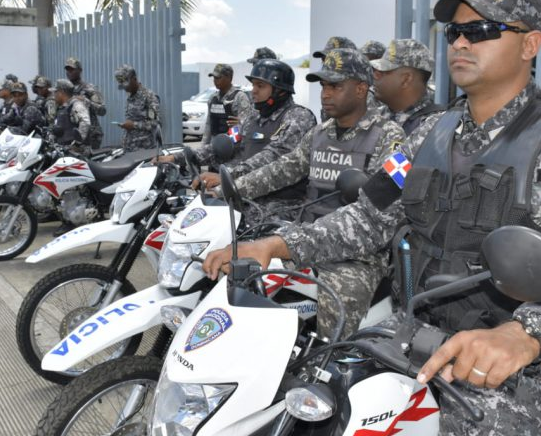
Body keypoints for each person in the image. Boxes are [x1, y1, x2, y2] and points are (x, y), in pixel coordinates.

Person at [203, 0, 541, 434]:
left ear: (530, 45)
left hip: (508, 361)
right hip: (413, 330)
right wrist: (278, 245)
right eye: (455, 31)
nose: (460, 43)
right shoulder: (429, 136)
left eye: (480, 31)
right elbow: (369, 216)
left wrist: (525, 334)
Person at [233, 48, 405, 336]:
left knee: (340, 295)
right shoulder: (320, 133)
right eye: (324, 85)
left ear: (361, 88)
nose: (326, 93)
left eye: (336, 86)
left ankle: (331, 365)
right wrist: (234, 187)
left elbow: (379, 210)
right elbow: (283, 169)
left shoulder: (391, 137)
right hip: (306, 236)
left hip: (357, 254)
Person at [196, 59, 317, 192]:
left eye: (260, 86)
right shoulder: (253, 117)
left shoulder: (298, 118)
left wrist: (228, 176)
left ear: (279, 91)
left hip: (277, 204)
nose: (253, 91)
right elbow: (231, 139)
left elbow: (273, 157)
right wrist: (185, 156)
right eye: (253, 85)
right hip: (243, 194)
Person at [157, 63, 251, 171]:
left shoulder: (239, 98)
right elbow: (208, 126)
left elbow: (245, 127)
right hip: (214, 153)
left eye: (218, 78)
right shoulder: (213, 98)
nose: (215, 80)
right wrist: (202, 150)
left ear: (229, 78)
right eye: (214, 78)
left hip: (232, 155)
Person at [371, 39, 443, 134]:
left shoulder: (438, 126)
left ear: (406, 79)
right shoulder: (371, 117)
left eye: (382, 72)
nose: (375, 76)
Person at [51, 78, 92, 235]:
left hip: (76, 152)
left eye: (56, 91)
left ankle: (71, 221)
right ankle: (68, 217)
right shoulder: (64, 107)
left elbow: (85, 123)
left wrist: (77, 142)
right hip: (65, 152)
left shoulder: (76, 105)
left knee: (71, 187)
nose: (54, 94)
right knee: (65, 187)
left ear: (62, 92)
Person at [114, 64, 161, 151]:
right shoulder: (130, 96)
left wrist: (133, 125)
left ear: (134, 79)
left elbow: (154, 123)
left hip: (143, 150)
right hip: (129, 148)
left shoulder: (148, 97)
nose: (125, 88)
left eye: (126, 85)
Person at [313, 37, 358, 122]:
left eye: (333, 60)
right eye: (324, 60)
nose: (327, 64)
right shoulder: (328, 96)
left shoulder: (364, 98)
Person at [65, 57, 107, 149]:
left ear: (80, 70)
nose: (69, 72)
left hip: (90, 135)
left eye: (72, 69)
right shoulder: (66, 90)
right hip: (72, 135)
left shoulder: (89, 88)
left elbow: (102, 110)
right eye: (67, 69)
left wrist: (85, 101)